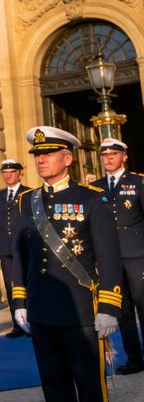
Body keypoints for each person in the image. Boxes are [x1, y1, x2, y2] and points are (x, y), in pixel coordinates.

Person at [10, 126, 122, 402]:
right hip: (40, 310)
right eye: (37, 154)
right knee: (54, 386)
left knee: (90, 387)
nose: (41, 159)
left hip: (81, 311)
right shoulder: (26, 201)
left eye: (48, 153)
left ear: (67, 158)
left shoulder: (91, 198)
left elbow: (109, 257)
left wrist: (108, 307)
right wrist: (20, 301)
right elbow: (19, 254)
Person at [97, 137, 144, 375]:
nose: (108, 158)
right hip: (110, 258)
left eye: (113, 154)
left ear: (124, 156)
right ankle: (135, 358)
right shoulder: (95, 187)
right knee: (122, 310)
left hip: (138, 256)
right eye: (104, 155)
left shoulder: (138, 182)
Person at [0, 158, 30, 338]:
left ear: (20, 173)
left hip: (24, 247)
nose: (8, 176)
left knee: (27, 284)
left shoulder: (29, 193)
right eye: (5, 173)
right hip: (6, 248)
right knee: (10, 285)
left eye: (12, 172)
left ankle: (31, 322)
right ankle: (17, 324)